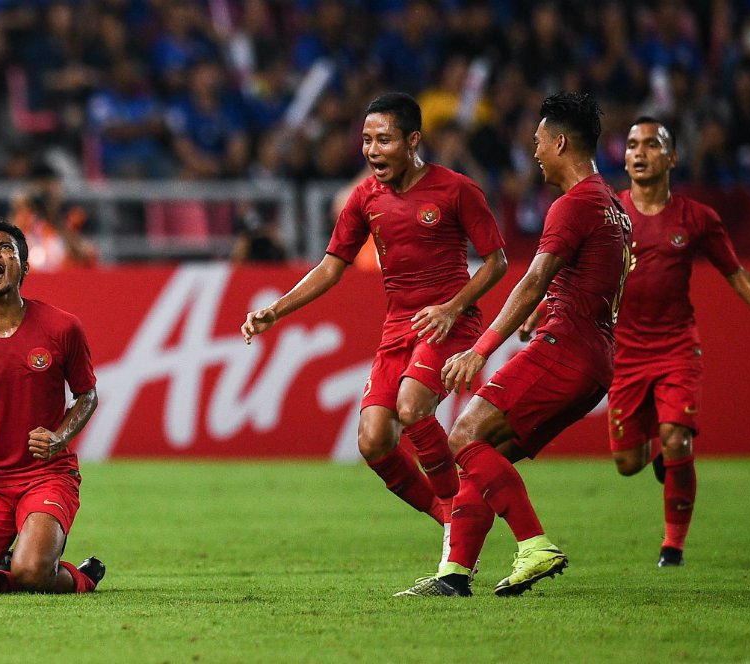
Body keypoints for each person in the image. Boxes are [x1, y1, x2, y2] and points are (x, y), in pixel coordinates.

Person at [241, 92, 507, 575]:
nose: (372, 150)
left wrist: (453, 306)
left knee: (410, 407)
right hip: (398, 326)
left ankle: (459, 516)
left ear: (413, 140)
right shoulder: (365, 197)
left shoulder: (457, 189)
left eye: (383, 139)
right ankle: (448, 514)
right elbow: (330, 266)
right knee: (373, 440)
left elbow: (497, 263)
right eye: (366, 140)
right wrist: (275, 311)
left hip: (450, 319)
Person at [396, 92, 632, 597]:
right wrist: (547, 312)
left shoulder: (573, 205)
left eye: (539, 141)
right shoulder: (613, 205)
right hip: (594, 359)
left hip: (564, 349)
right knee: (488, 449)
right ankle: (455, 574)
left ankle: (534, 543)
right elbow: (593, 282)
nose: (535, 152)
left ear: (561, 141)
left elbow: (533, 279)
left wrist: (479, 350)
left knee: (463, 435)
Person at [606, 117, 750, 567]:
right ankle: (660, 456)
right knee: (628, 463)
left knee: (678, 439)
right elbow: (572, 272)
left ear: (672, 158)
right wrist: (538, 313)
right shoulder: (609, 213)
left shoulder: (696, 218)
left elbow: (733, 269)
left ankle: (673, 546)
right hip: (624, 353)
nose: (640, 153)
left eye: (651, 145)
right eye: (632, 145)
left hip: (675, 347)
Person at [0, 217, 104, 595]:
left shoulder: (62, 328)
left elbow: (87, 395)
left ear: (24, 268)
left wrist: (60, 438)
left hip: (48, 475)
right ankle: (13, 565)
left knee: (33, 573)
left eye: (6, 249)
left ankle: (81, 576)